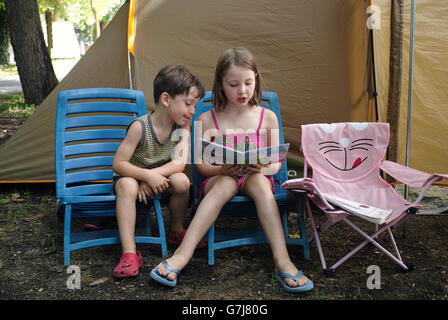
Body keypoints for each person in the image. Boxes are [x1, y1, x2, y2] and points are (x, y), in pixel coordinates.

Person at [151, 48, 313, 293]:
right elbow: (201, 168)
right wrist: (222, 170)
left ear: (256, 80)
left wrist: (260, 165)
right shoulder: (206, 119)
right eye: (234, 84)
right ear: (221, 84)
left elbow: (276, 164)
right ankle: (182, 255)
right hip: (219, 179)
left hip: (255, 177)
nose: (243, 91)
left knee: (258, 182)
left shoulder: (267, 117)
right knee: (226, 183)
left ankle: (282, 260)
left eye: (248, 83)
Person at [112, 65, 206, 278]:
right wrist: (145, 176)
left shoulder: (183, 127)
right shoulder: (140, 127)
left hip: (159, 179)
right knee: (126, 185)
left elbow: (178, 164)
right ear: (166, 100)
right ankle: (129, 252)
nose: (193, 111)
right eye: (188, 104)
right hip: (132, 178)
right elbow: (118, 164)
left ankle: (175, 229)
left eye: (195, 105)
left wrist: (154, 176)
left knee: (182, 181)